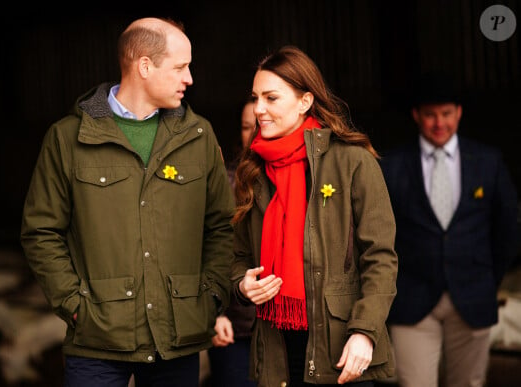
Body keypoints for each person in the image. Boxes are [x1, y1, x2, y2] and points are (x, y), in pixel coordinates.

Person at [19, 17, 235, 387]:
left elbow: (221, 226)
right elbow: (41, 232)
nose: (190, 79)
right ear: (145, 66)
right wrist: (75, 307)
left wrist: (211, 296)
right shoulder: (69, 138)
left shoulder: (198, 136)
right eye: (181, 67)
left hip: (177, 340)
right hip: (96, 343)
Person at [230, 45, 398, 387]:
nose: (258, 109)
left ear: (305, 101)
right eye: (255, 97)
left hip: (342, 350)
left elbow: (380, 258)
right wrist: (242, 285)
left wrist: (365, 333)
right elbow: (237, 257)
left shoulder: (352, 162)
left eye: (271, 98)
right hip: (275, 353)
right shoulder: (252, 170)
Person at [380, 72, 519, 387]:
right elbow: (379, 233)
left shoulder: (487, 160)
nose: (439, 122)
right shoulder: (392, 165)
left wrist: (487, 277)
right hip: (411, 298)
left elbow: (508, 230)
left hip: (473, 295)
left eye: (446, 113)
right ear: (416, 115)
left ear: (458, 112)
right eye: (430, 114)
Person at [207, 99, 257, 387]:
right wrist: (214, 313)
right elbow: (205, 252)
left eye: (259, 126)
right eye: (245, 127)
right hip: (235, 329)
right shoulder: (224, 184)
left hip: (292, 329)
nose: (251, 135)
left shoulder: (302, 179)